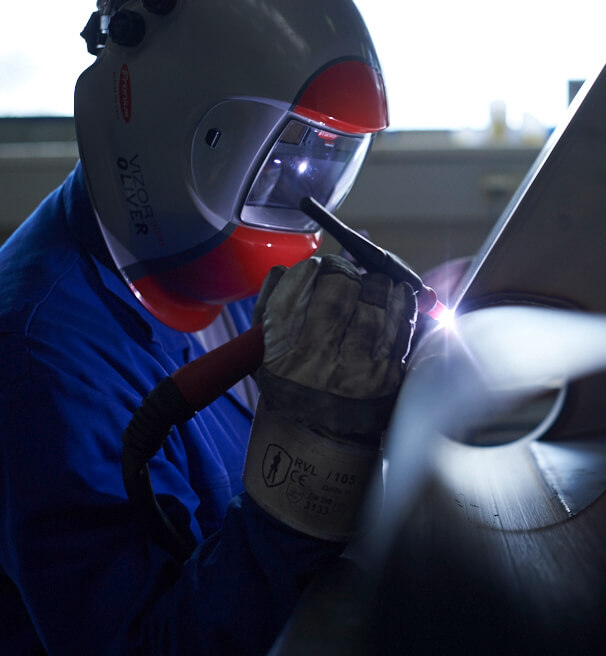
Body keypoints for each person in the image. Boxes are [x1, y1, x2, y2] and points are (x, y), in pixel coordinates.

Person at [0, 1, 415, 653]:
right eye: (280, 156)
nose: (299, 196)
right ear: (174, 122)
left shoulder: (207, 271)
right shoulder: (43, 368)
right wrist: (305, 475)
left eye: (320, 159)